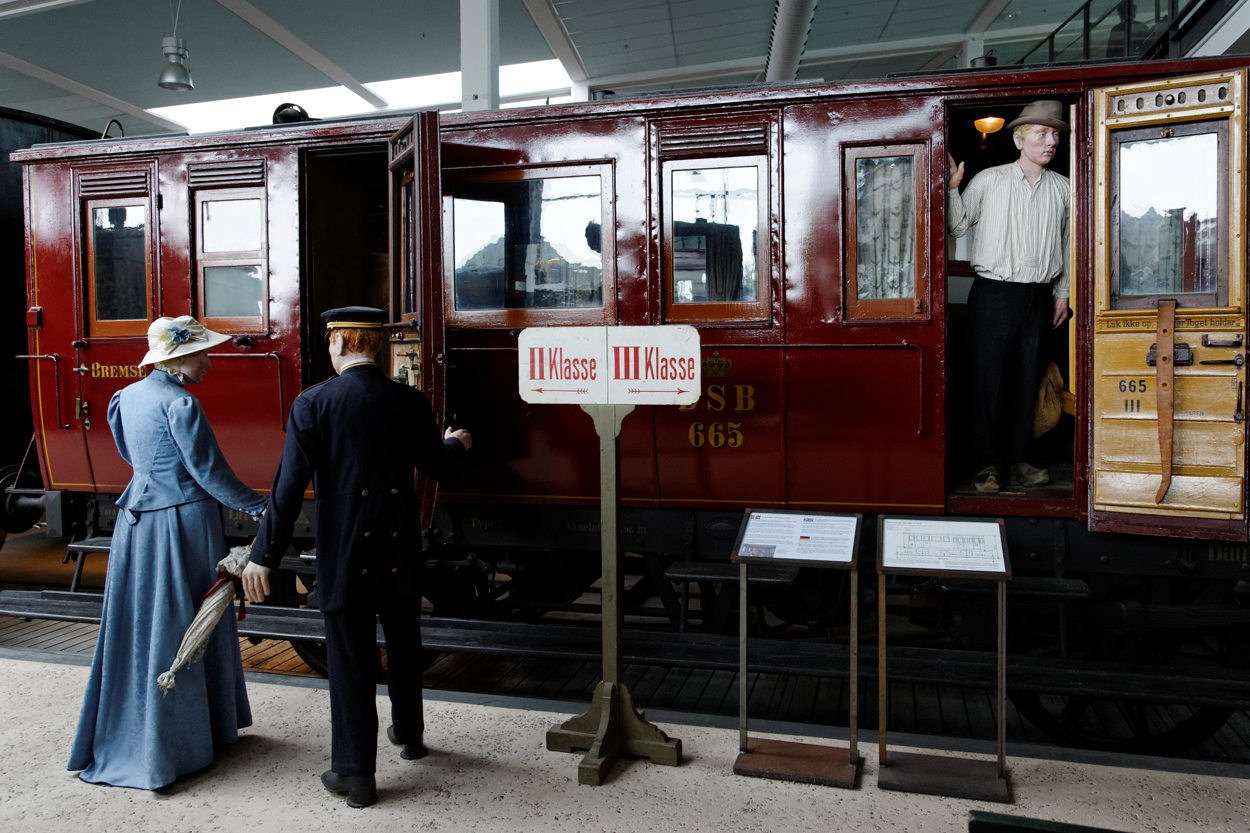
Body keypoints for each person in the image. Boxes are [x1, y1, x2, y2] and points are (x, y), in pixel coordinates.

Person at [242, 306, 470, 809]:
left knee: (350, 662)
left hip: (346, 552)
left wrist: (264, 554)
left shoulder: (312, 405)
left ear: (341, 344)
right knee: (406, 644)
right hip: (399, 547)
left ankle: (355, 774)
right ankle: (409, 736)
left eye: (331, 343)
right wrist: (456, 444)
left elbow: (287, 490)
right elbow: (437, 466)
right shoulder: (408, 400)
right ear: (377, 345)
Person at [69, 316, 267, 789]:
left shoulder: (125, 399)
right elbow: (209, 473)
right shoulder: (182, 404)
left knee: (141, 624)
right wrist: (263, 507)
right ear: (177, 359)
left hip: (135, 522)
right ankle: (178, 744)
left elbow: (131, 457)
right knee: (186, 622)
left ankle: (136, 736)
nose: (210, 363)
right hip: (182, 526)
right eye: (203, 354)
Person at [947, 100, 1071, 493]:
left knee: (1027, 380)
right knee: (987, 380)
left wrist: (1062, 295)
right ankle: (986, 465)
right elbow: (957, 225)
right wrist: (952, 189)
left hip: (1040, 295)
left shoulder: (1064, 188)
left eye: (1054, 135)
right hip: (994, 294)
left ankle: (1018, 460)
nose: (1050, 141)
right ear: (1019, 140)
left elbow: (1070, 247)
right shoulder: (989, 179)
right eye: (1041, 134)